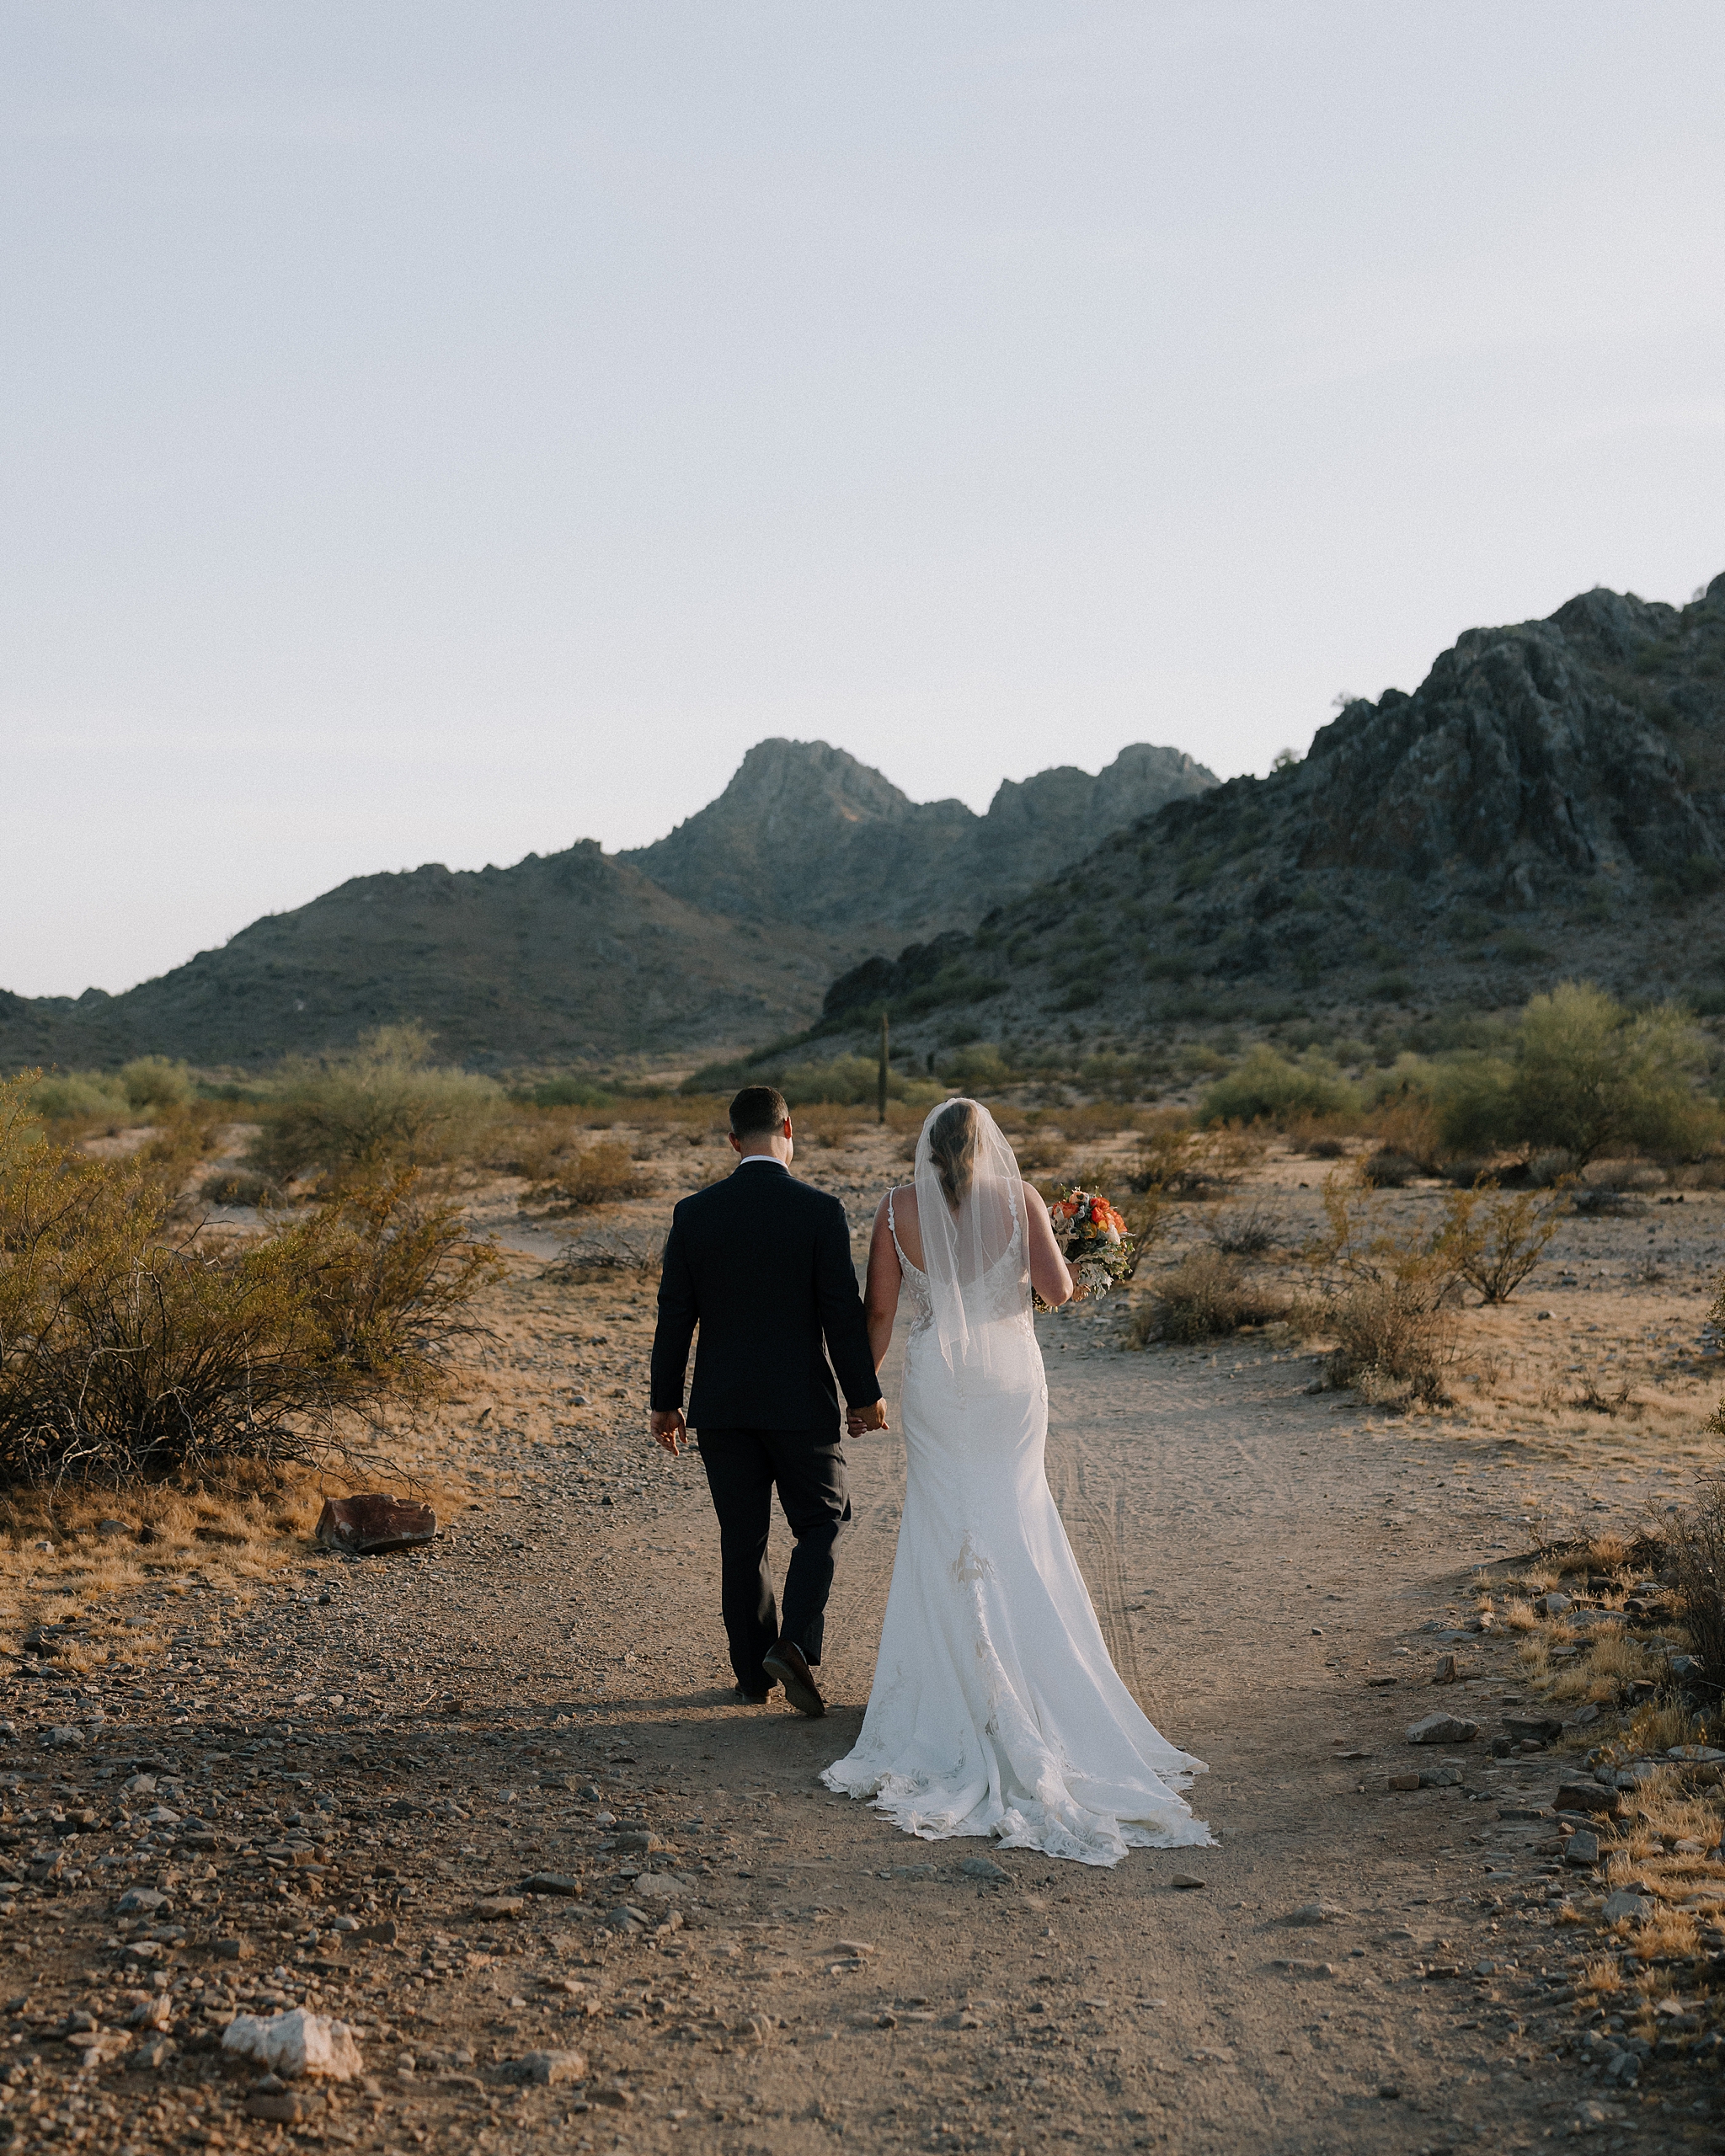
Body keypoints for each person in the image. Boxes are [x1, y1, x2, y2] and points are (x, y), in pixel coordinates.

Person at [820, 1097, 1213, 1865]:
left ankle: (947, 1689)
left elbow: (881, 1310)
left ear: (927, 1151)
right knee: (1016, 1511)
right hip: (1008, 1377)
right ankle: (1036, 1681)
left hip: (939, 1377)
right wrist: (1079, 1250)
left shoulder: (898, 1209)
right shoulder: (1023, 1199)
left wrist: (861, 1393)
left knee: (944, 1519)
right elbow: (1059, 1291)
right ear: (990, 1148)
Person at [649, 1085, 887, 1716]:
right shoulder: (819, 1211)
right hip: (799, 1404)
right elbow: (842, 1314)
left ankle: (753, 1677)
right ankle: (796, 1647)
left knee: (742, 1539)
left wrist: (664, 1401)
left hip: (723, 1407)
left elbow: (676, 1314)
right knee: (822, 1521)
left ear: (733, 1141)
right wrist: (865, 1397)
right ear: (790, 1127)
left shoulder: (694, 1213)